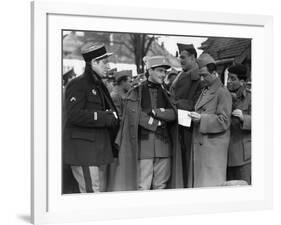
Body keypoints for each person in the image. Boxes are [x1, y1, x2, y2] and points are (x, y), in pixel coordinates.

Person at [108, 56, 183, 191]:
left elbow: (173, 113)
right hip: (144, 148)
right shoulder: (136, 92)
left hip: (164, 147)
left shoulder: (167, 92)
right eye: (160, 71)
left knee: (161, 186)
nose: (163, 74)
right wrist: (157, 123)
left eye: (164, 72)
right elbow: (135, 114)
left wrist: (155, 112)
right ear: (150, 71)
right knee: (143, 186)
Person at [63, 42, 119, 193]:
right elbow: (74, 114)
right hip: (84, 151)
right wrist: (104, 117)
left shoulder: (98, 85)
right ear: (94, 62)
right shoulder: (78, 84)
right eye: (105, 62)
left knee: (94, 192)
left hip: (96, 151)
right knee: (91, 193)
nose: (108, 66)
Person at [189, 53, 232, 187]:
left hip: (212, 152)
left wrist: (202, 118)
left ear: (214, 73)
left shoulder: (222, 92)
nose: (202, 79)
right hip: (203, 148)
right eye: (200, 75)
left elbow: (224, 120)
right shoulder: (206, 90)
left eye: (205, 75)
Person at [169, 43, 202, 187]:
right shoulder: (182, 74)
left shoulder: (198, 77)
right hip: (178, 123)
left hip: (187, 125)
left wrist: (174, 104)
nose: (180, 60)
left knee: (186, 162)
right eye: (179, 57)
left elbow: (197, 104)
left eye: (183, 57)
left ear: (193, 57)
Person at [226, 63, 251, 185]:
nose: (228, 81)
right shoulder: (223, 96)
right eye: (228, 78)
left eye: (233, 78)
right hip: (225, 153)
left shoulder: (251, 98)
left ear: (242, 82)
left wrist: (243, 118)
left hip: (243, 155)